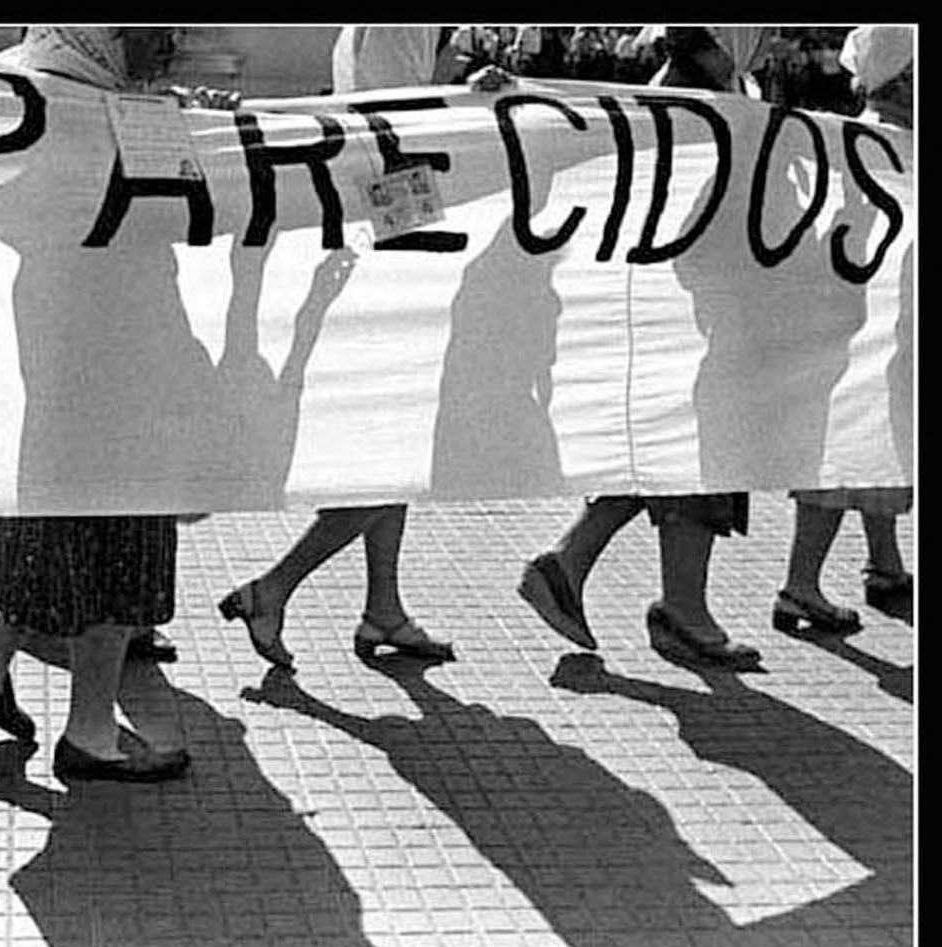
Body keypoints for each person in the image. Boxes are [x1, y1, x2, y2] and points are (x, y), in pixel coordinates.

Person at [0, 26, 235, 784]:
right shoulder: (113, 119)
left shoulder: (26, 109)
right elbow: (188, 219)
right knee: (122, 531)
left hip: (60, 343)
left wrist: (184, 125)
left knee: (73, 518)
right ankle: (90, 731)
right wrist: (183, 133)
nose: (164, 47)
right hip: (124, 353)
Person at [217, 25, 518, 672]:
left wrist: (462, 93)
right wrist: (464, 103)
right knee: (396, 452)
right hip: (390, 230)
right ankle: (273, 587)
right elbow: (392, 126)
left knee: (391, 448)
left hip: (385, 226)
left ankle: (384, 607)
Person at [519, 26, 768, 671]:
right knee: (693, 452)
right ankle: (676, 607)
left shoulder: (713, 87)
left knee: (679, 452)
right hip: (689, 308)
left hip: (698, 305)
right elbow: (689, 209)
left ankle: (579, 569)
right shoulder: (689, 95)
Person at [775, 25, 914, 634]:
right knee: (848, 453)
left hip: (868, 329)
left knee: (879, 446)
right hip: (864, 331)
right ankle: (800, 586)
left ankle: (885, 563)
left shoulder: (861, 141)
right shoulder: (883, 148)